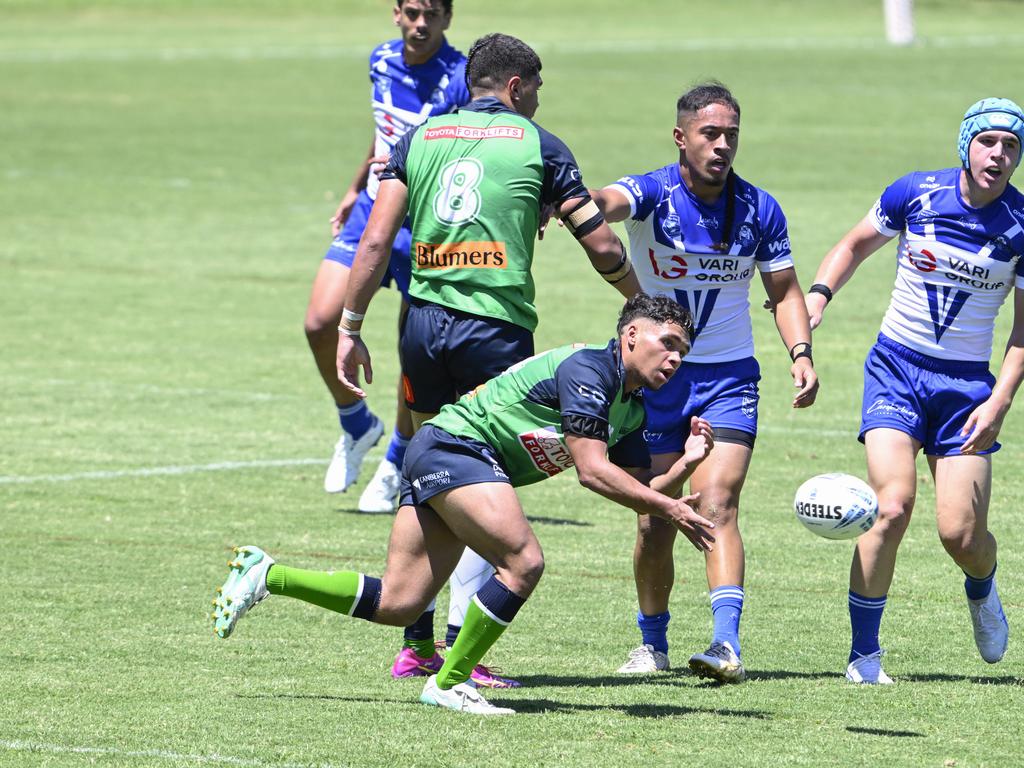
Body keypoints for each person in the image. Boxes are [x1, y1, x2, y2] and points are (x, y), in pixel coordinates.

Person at [212, 293, 716, 715]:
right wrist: (669, 507)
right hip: (459, 448)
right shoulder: (590, 371)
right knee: (524, 561)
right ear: (631, 336)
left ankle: (267, 574)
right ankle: (450, 683)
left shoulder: (630, 407)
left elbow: (643, 490)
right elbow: (591, 471)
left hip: (442, 451)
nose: (674, 359)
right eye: (666, 343)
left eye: (682, 351)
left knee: (399, 602)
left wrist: (688, 463)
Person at [336, 33, 641, 687]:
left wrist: (350, 325)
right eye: (535, 90)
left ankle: (415, 645)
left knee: (427, 471)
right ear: (517, 86)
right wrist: (641, 302)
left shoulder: (419, 138)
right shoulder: (539, 146)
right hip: (492, 329)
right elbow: (603, 246)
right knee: (483, 474)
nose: (536, 101)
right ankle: (459, 649)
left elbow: (375, 239)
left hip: (420, 324)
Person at [588, 82, 818, 682]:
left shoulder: (760, 209)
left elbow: (785, 291)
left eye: (731, 135)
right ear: (681, 137)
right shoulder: (654, 192)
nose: (722, 146)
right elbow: (606, 200)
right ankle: (652, 644)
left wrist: (800, 350)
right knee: (656, 514)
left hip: (727, 377)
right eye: (710, 134)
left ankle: (724, 646)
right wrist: (570, 203)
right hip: (651, 379)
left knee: (717, 502)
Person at [806, 97, 1024, 684]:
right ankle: (864, 657)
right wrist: (819, 295)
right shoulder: (917, 193)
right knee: (890, 505)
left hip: (967, 391)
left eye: (1011, 146)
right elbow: (852, 244)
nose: (999, 155)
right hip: (896, 369)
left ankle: (982, 587)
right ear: (967, 145)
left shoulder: (1021, 226)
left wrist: (999, 399)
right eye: (989, 142)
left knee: (961, 534)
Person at [303, 0, 469, 510]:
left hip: (426, 222)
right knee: (319, 321)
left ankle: (397, 461)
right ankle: (356, 423)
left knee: (411, 353)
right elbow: (385, 131)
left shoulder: (462, 76)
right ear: (396, 12)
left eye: (432, 14)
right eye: (413, 12)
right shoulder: (379, 60)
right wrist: (356, 187)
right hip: (372, 210)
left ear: (448, 18)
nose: (421, 24)